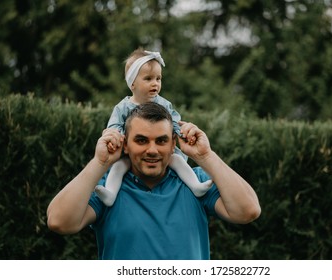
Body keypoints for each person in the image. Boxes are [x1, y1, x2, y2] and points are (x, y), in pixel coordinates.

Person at [47, 102, 261, 260]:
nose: (152, 150)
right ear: (126, 144)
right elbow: (59, 221)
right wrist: (99, 162)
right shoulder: (106, 189)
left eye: (161, 141)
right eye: (141, 140)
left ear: (173, 144)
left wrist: (205, 157)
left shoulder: (196, 183)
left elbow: (247, 210)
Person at [95, 48, 212, 207]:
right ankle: (110, 194)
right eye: (148, 78)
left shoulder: (163, 104)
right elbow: (114, 126)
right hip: (128, 152)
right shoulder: (123, 107)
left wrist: (183, 134)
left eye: (158, 78)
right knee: (118, 167)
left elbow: (175, 122)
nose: (155, 83)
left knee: (177, 159)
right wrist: (116, 138)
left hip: (159, 154)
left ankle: (195, 185)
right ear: (132, 83)